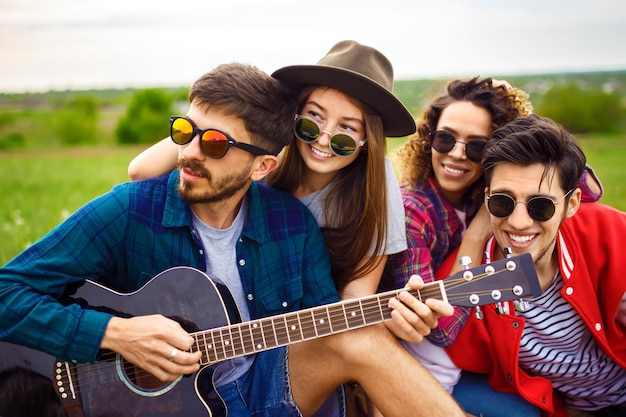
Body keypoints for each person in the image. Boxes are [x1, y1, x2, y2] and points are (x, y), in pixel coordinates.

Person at [0, 63, 465, 417]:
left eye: (216, 144)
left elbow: (330, 332)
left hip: (261, 390)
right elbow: (6, 291)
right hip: (154, 405)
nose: (191, 152)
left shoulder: (291, 225)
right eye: (185, 131)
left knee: (356, 338)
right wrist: (117, 333)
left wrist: (396, 313)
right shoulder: (129, 211)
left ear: (262, 166)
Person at [127, 40, 435, 417]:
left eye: (344, 131)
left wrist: (386, 318)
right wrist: (207, 129)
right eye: (312, 120)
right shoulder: (261, 155)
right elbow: (140, 172)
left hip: (298, 332)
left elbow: (355, 296)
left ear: (366, 141)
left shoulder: (375, 187)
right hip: (218, 315)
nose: (323, 139)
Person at [380, 77, 604, 416]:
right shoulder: (414, 210)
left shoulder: (485, 196)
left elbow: (578, 187)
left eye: (475, 146)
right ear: (428, 139)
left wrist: (523, 126)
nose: (456, 153)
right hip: (425, 359)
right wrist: (476, 234)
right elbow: (439, 329)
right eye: (445, 138)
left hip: (476, 354)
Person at [442, 114, 626, 417]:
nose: (518, 222)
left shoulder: (609, 233)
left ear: (573, 204)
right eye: (503, 201)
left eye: (541, 205)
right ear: (487, 199)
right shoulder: (463, 279)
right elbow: (432, 369)